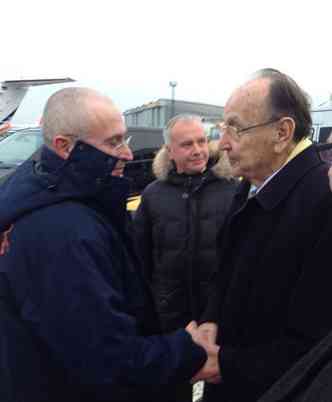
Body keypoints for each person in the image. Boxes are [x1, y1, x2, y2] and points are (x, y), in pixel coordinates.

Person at [0, 87, 220, 402]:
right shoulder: (62, 232)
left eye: (124, 139)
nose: (128, 154)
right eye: (112, 142)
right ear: (64, 146)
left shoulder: (63, 201)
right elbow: (102, 357)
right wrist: (188, 351)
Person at [201, 68, 332, 402]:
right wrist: (209, 320)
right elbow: (226, 274)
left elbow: (313, 343)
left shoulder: (321, 202)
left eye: (236, 127)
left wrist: (226, 363)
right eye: (222, 127)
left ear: (282, 133)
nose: (223, 143)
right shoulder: (251, 186)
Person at [134, 114, 236, 401]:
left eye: (202, 141)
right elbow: (141, 260)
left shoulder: (232, 190)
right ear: (170, 151)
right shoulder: (153, 195)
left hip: (218, 319)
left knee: (220, 391)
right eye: (187, 144)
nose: (198, 150)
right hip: (170, 320)